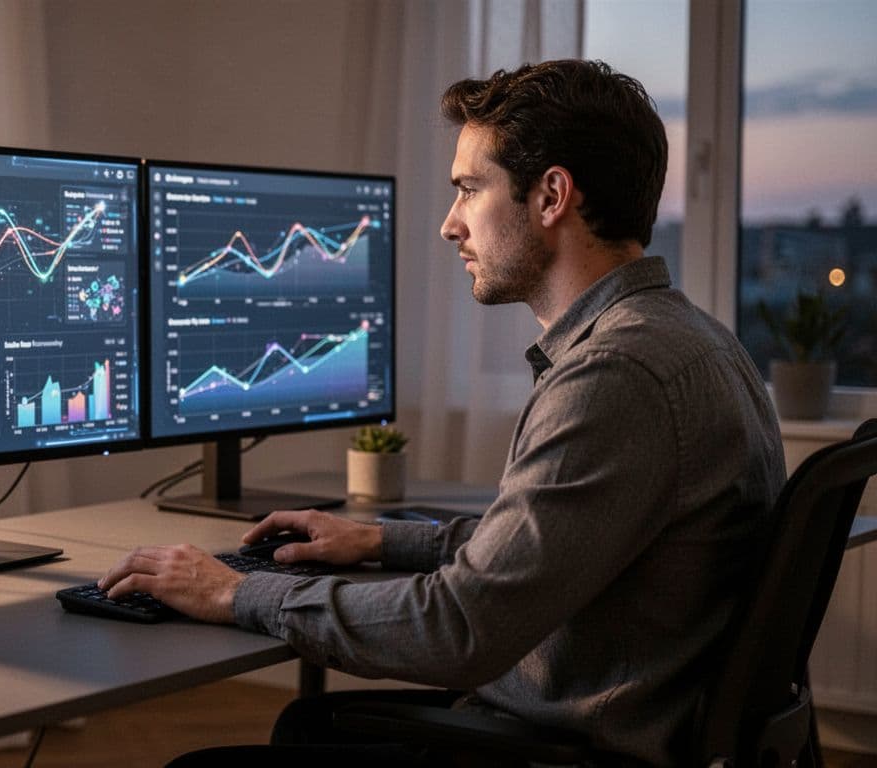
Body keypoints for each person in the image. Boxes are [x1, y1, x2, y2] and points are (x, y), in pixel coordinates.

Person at [100, 59, 785, 767]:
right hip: (604, 724)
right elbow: (552, 546)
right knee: (309, 725)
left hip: (565, 745)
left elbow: (460, 630)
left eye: (468, 189)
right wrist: (381, 542)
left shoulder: (615, 376)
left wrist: (239, 592)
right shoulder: (692, 340)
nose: (448, 225)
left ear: (551, 196)